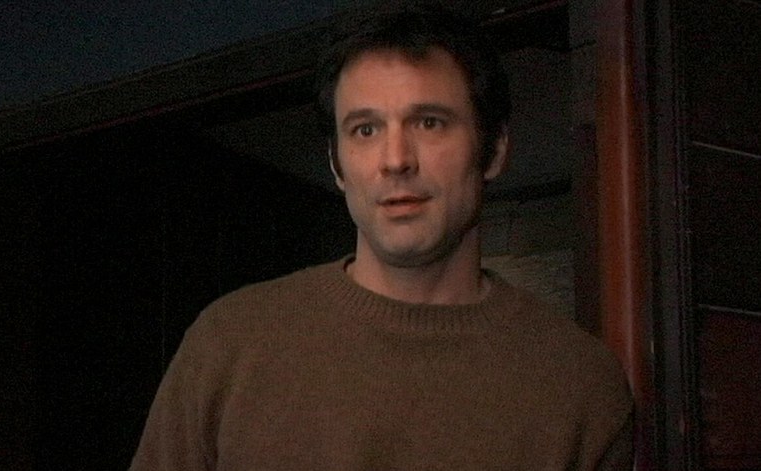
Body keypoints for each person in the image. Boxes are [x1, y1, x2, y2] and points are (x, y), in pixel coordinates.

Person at [130, 4, 633, 470]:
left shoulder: (580, 385)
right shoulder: (228, 345)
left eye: (429, 122)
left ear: (495, 149)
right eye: (365, 130)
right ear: (337, 165)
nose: (395, 160)